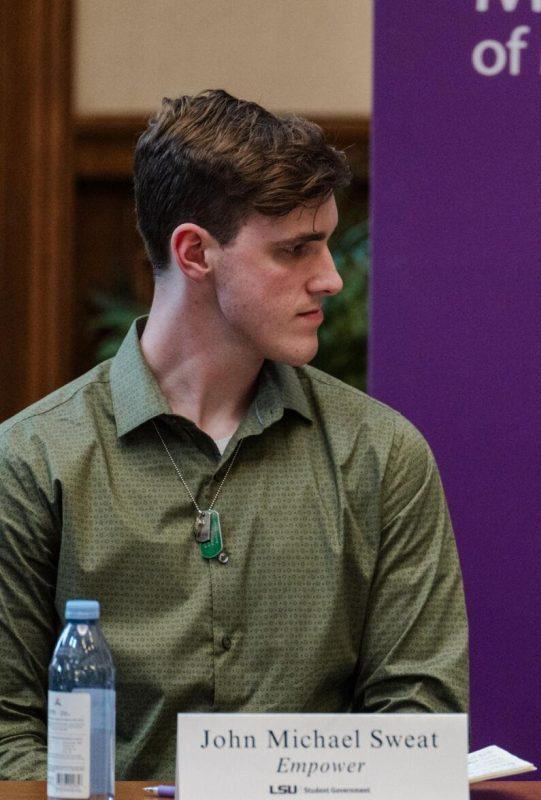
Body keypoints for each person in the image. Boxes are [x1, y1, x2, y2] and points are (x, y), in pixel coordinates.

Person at [0, 90, 468, 780]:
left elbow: (419, 718)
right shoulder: (36, 459)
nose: (332, 277)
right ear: (195, 253)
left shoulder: (381, 453)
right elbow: (8, 735)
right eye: (295, 250)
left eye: (328, 243)